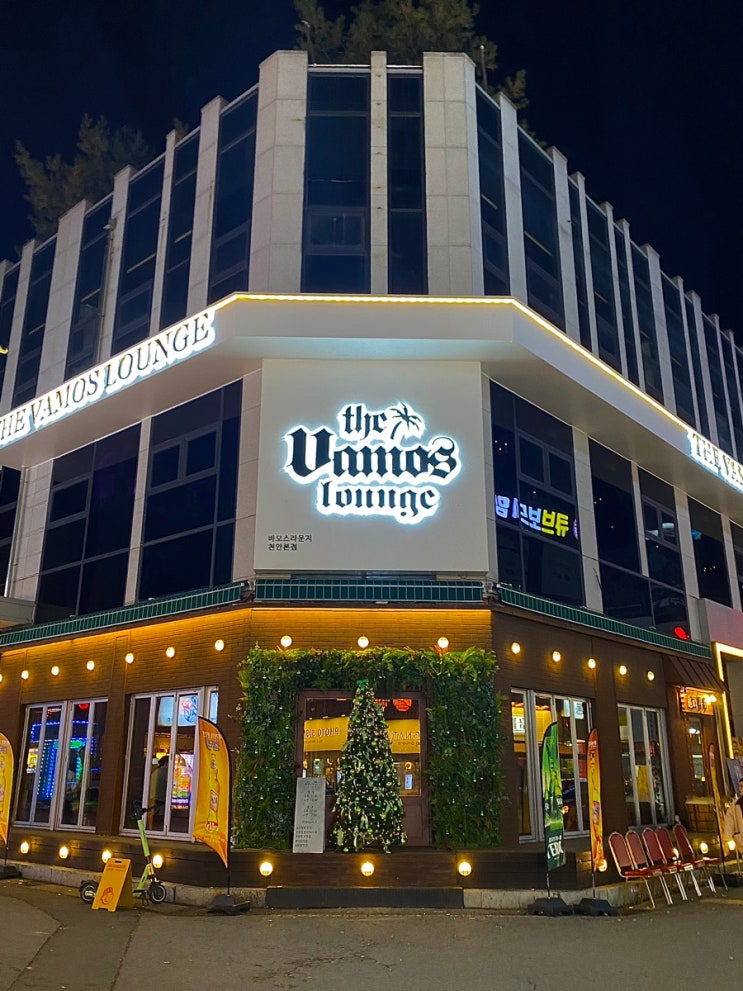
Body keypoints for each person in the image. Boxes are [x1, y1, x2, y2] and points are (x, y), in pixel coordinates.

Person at [723, 779, 743, 855]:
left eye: (742, 786)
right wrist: (727, 838)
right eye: (739, 786)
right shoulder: (734, 806)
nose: (740, 789)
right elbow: (729, 822)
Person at [149, 754, 169, 829]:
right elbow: (171, 784)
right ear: (166, 763)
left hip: (152, 799)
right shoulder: (164, 771)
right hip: (160, 800)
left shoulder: (155, 771)